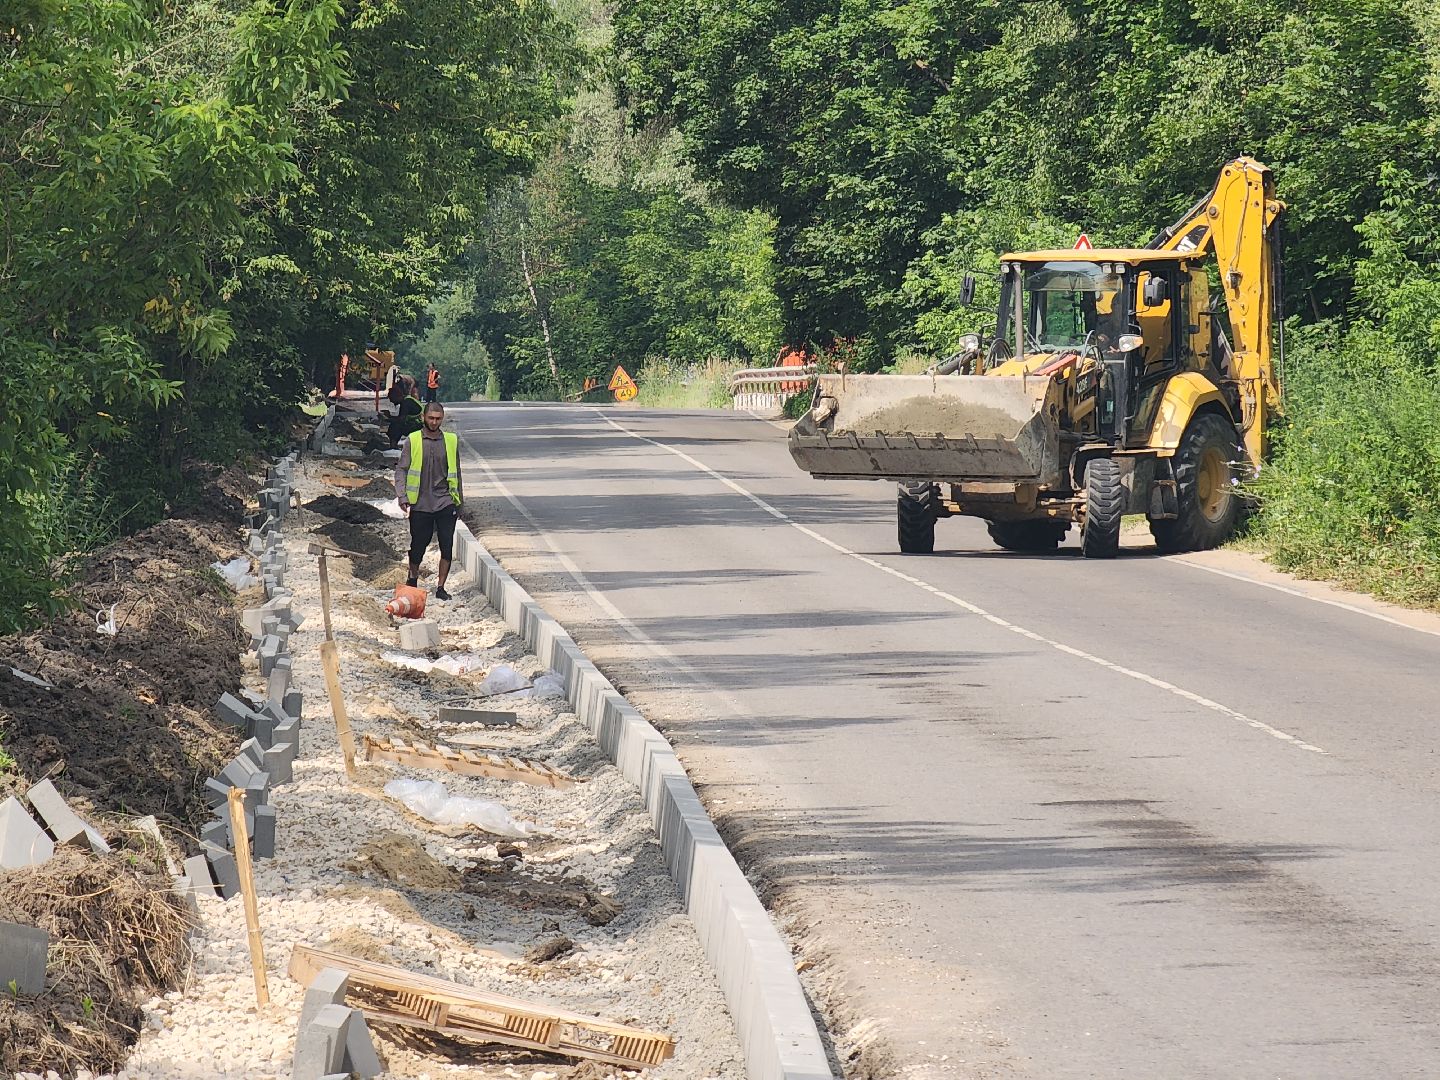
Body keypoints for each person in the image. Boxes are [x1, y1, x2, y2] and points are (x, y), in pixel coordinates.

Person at [394, 401, 463, 600]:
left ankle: (441, 587)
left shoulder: (450, 441)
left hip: (445, 501)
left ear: (443, 419)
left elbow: (457, 472)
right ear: (424, 417)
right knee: (418, 545)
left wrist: (460, 503)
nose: (434, 422)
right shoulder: (413, 440)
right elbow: (402, 469)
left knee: (446, 545)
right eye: (431, 418)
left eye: (438, 418)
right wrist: (402, 496)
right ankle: (413, 579)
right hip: (421, 503)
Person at [386, 374, 423, 448]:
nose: (392, 402)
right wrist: (389, 416)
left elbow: (401, 420)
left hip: (419, 426)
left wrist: (388, 419)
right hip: (418, 424)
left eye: (392, 400)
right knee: (395, 424)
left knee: (395, 426)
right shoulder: (407, 400)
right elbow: (401, 417)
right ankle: (393, 444)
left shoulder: (406, 403)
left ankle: (393, 445)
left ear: (396, 396)